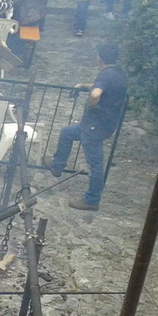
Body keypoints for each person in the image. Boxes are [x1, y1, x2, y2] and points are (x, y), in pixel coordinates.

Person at [44, 43, 126, 210]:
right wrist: (83, 84)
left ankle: (92, 200)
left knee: (95, 165)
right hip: (102, 123)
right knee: (67, 133)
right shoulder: (117, 72)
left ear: (100, 57)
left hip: (95, 126)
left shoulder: (106, 74)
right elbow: (100, 87)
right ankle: (57, 165)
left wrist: (91, 104)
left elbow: (96, 94)